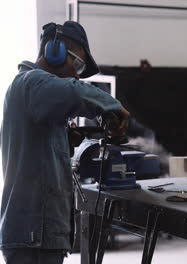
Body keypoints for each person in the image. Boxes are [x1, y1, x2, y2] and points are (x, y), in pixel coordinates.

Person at [0, 21, 130, 263]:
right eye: (77, 63)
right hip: (33, 236)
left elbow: (37, 150)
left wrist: (65, 139)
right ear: (55, 51)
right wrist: (113, 107)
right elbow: (73, 92)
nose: (77, 73)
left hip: (37, 235)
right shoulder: (30, 83)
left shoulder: (33, 94)